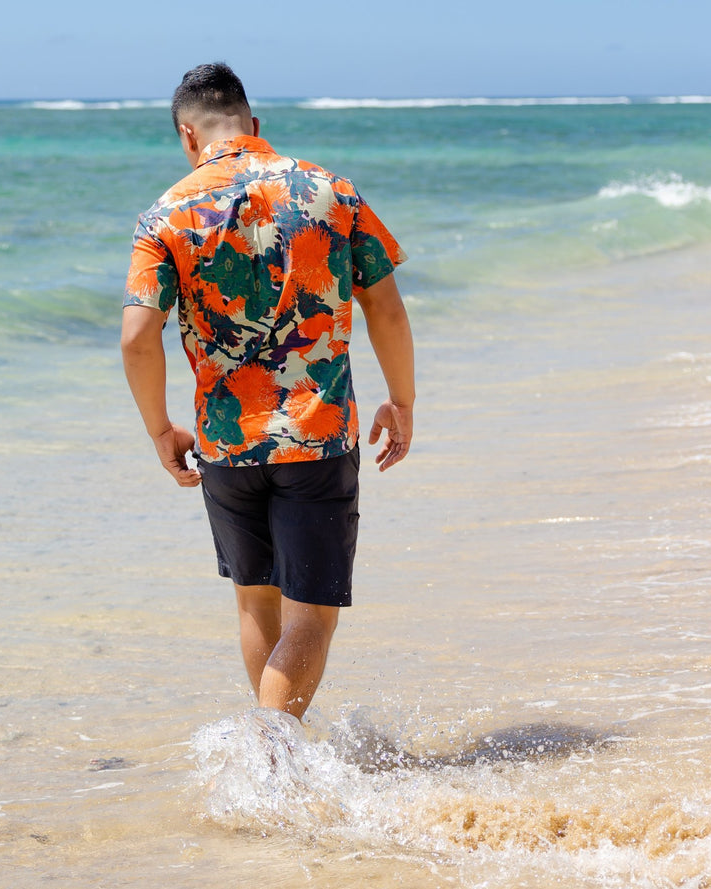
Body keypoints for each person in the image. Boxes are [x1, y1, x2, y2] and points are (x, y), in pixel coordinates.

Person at [121, 63, 415, 722]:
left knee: (257, 602)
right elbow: (387, 310)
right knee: (311, 615)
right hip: (318, 436)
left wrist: (159, 429)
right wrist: (403, 399)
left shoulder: (165, 214)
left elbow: (138, 338)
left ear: (187, 135)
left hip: (226, 443)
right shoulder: (331, 192)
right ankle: (271, 762)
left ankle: (272, 771)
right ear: (255, 126)